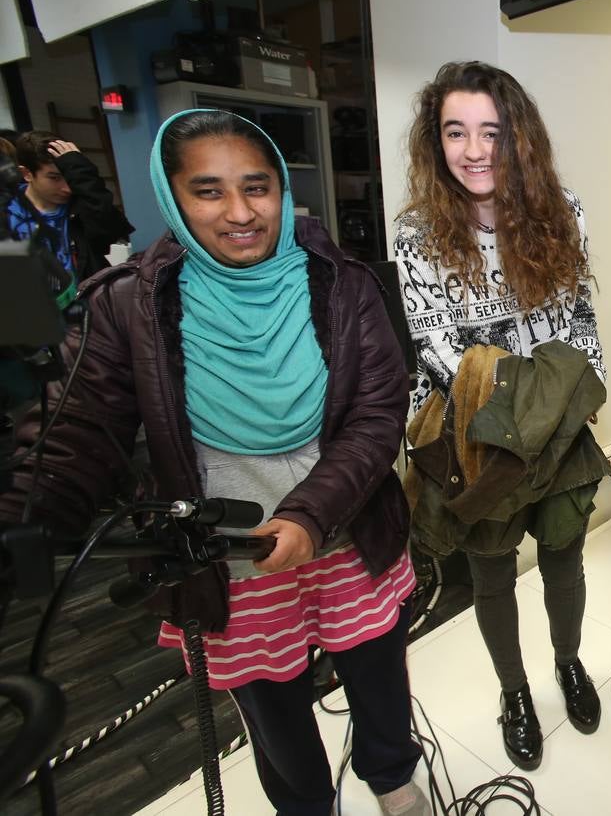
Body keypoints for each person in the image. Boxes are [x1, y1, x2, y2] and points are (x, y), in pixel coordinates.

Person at [0, 109, 429, 816]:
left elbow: (377, 415)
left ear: (282, 190)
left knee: (380, 682)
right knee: (274, 717)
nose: (240, 212)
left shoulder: (343, 283)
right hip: (226, 563)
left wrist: (310, 516)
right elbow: (76, 429)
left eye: (257, 187)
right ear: (172, 199)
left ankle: (392, 778)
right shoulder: (130, 305)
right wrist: (26, 515)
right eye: (209, 191)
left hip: (348, 533)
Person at [393, 61, 605, 771]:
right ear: (437, 143)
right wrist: (529, 410)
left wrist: (582, 398)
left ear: (519, 138)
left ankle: (568, 663)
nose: (475, 149)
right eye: (457, 132)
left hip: (562, 427)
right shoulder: (417, 236)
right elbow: (439, 352)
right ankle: (515, 693)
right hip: (481, 439)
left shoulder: (564, 211)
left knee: (564, 556)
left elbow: (579, 319)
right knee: (490, 573)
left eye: (491, 131)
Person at [8, 130, 133, 281]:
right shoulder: (9, 213)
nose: (67, 188)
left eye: (68, 177)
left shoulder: (81, 205)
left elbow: (109, 234)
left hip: (85, 297)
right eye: (54, 178)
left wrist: (82, 174)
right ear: (27, 173)